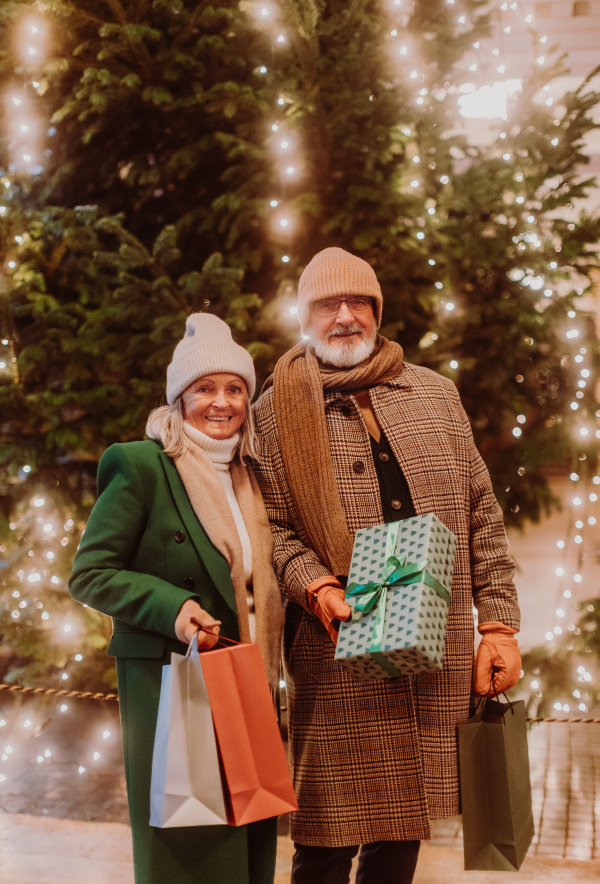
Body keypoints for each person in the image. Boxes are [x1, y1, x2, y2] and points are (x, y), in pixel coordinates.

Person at [252, 247, 522, 884]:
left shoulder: (433, 393)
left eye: (359, 304)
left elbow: (481, 510)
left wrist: (500, 625)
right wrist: (312, 584)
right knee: (326, 838)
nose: (345, 317)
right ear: (304, 316)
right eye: (328, 305)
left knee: (402, 831)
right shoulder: (273, 411)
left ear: (376, 312)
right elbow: (273, 529)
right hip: (337, 646)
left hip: (436, 646)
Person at [68, 313, 283, 884]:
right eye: (205, 388)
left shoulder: (251, 475)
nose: (222, 402)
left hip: (247, 679)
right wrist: (173, 606)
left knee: (245, 838)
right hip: (173, 684)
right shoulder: (141, 465)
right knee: (189, 849)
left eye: (234, 388)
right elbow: (90, 573)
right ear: (179, 397)